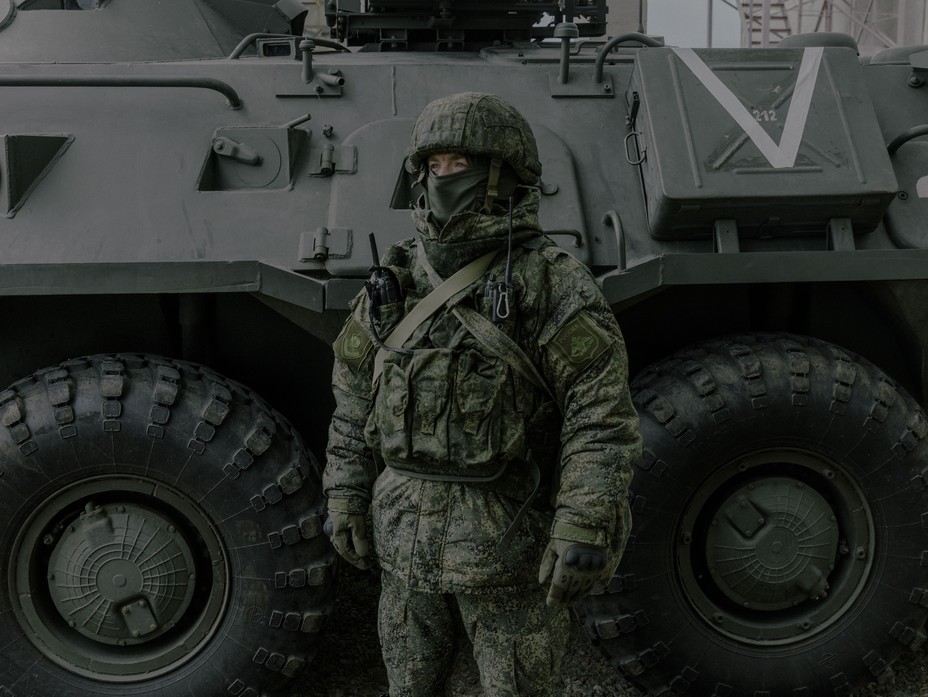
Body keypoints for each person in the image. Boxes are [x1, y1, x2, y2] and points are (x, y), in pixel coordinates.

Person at [324, 91, 641, 696]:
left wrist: (581, 525)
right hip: (404, 544)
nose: (444, 178)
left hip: (508, 546)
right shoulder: (397, 276)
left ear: (503, 175)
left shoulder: (547, 280)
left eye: (460, 164)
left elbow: (600, 415)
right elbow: (353, 396)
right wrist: (344, 490)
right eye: (434, 166)